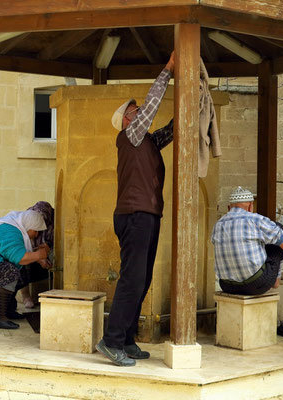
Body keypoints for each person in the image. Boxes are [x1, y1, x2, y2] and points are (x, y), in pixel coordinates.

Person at [95, 52, 175, 367]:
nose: (140, 111)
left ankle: (126, 340)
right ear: (128, 120)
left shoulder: (148, 142)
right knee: (132, 278)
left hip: (146, 215)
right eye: (135, 110)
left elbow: (172, 129)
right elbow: (153, 104)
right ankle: (111, 341)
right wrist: (167, 70)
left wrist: (193, 103)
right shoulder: (129, 135)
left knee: (141, 279)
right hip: (135, 215)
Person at [211, 186, 283, 296]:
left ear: (229, 208)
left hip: (227, 285)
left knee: (265, 238)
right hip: (256, 284)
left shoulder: (218, 225)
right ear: (250, 206)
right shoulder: (255, 219)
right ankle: (275, 281)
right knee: (278, 229)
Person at [19, 201, 54, 309]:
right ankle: (26, 296)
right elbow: (22, 248)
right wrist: (38, 258)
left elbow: (51, 242)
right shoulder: (27, 219)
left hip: (44, 252)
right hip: (27, 252)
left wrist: (45, 252)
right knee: (21, 265)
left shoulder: (53, 222)